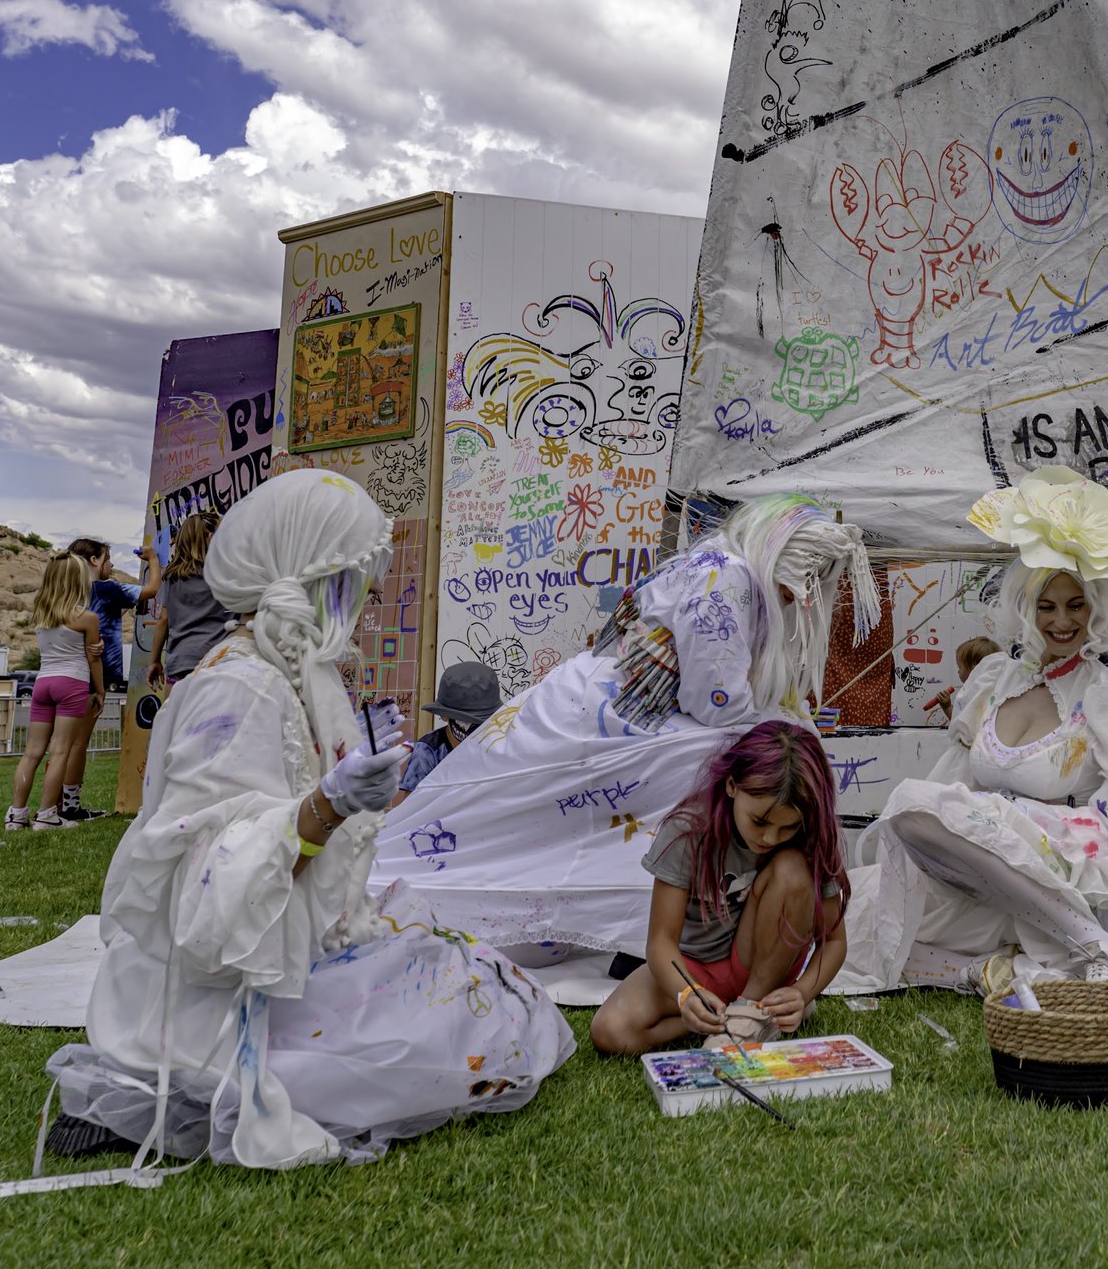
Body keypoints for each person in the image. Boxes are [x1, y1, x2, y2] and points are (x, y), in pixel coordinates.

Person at [43, 469, 572, 1168]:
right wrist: (329, 805)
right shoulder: (240, 686)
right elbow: (204, 895)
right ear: (314, 578)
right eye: (359, 589)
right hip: (225, 994)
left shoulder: (291, 670)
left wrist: (353, 794)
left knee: (479, 979)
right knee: (471, 1016)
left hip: (285, 954)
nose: (369, 608)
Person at [377, 494, 875, 957]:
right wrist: (780, 721)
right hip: (604, 720)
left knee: (503, 823)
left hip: (588, 709)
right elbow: (717, 700)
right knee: (505, 827)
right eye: (795, 587)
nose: (795, 602)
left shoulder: (714, 562)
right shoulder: (728, 579)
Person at [847, 466, 1108, 991]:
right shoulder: (992, 679)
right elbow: (950, 789)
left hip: (1059, 878)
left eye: (1075, 605)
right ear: (1025, 608)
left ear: (1096, 608)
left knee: (908, 822)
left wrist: (1072, 853)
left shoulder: (1106, 692)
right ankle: (978, 972)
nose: (1061, 622)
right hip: (980, 878)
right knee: (853, 916)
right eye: (1046, 606)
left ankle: (1093, 944)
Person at [590, 721, 849, 1056]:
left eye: (788, 828)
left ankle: (755, 1005)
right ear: (731, 786)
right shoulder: (688, 831)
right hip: (694, 966)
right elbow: (660, 943)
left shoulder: (811, 838)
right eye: (760, 822)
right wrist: (687, 994)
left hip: (760, 962)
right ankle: (746, 1016)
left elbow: (834, 941)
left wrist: (802, 992)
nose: (769, 838)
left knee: (792, 869)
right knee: (611, 1032)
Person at [57, 537, 159, 822]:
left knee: (61, 743)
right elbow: (151, 590)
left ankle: (51, 803)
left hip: (62, 672)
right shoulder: (106, 589)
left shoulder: (64, 591)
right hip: (90, 676)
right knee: (78, 744)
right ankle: (70, 805)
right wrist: (152, 560)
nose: (111, 565)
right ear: (93, 561)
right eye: (107, 559)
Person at [7, 554, 104, 832]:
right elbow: (93, 657)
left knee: (32, 752)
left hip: (43, 682)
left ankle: (16, 815)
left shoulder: (41, 615)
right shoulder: (87, 618)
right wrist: (99, 690)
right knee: (60, 751)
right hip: (72, 682)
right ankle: (47, 814)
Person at [391, 662, 505, 805]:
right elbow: (410, 809)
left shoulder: (501, 745)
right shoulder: (428, 750)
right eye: (466, 720)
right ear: (444, 716)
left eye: (483, 721)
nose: (475, 730)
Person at [146, 511, 226, 687]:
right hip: (216, 663)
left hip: (179, 665)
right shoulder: (223, 574)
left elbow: (163, 620)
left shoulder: (173, 577)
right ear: (211, 537)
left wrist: (154, 661)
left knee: (176, 714)